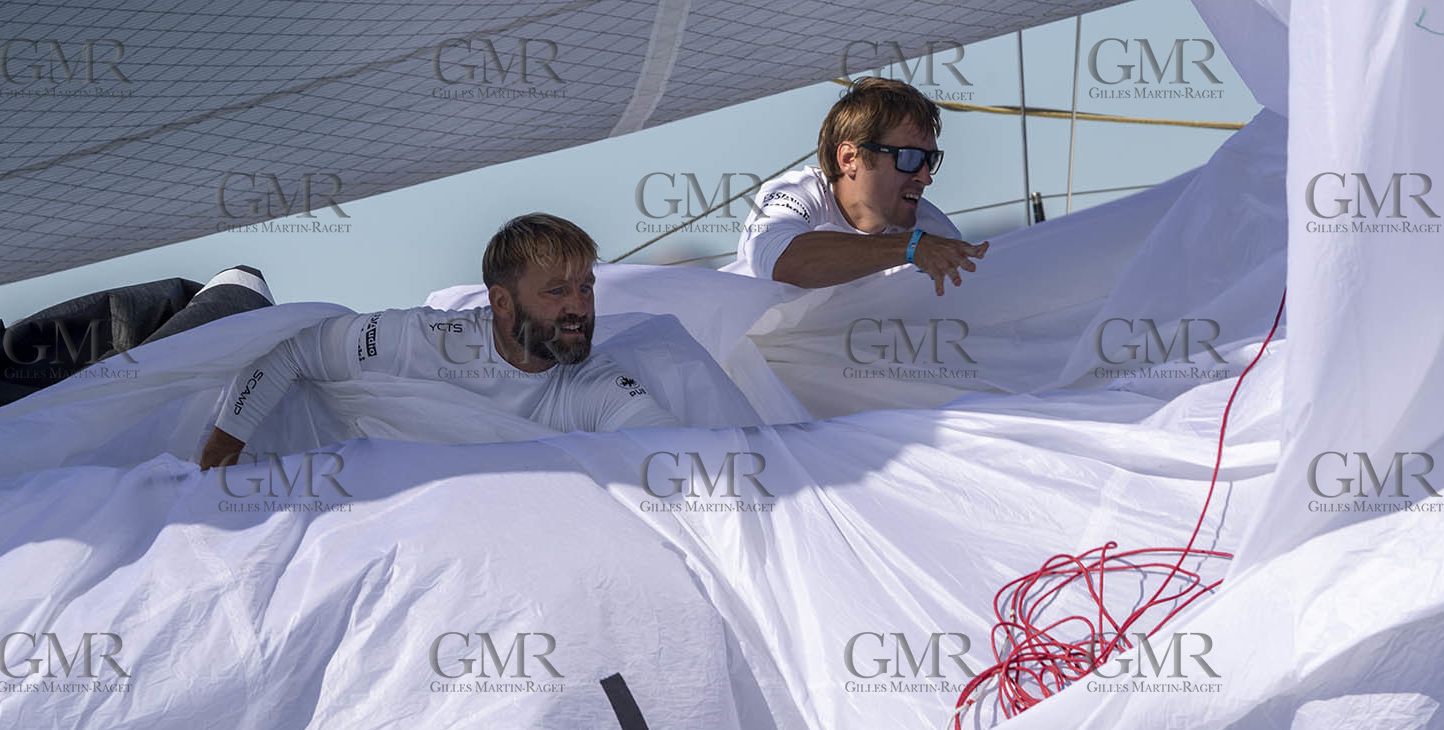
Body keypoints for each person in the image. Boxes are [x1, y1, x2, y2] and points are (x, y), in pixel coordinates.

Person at [199, 214, 677, 469]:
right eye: (557, 291)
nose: (579, 306)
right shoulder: (426, 340)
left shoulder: (594, 383)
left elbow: (670, 450)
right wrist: (219, 456)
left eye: (585, 288)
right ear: (502, 301)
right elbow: (294, 349)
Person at [725, 77, 989, 294]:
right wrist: (911, 247)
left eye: (930, 160)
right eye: (909, 158)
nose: (925, 177)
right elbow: (781, 263)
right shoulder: (794, 195)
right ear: (850, 158)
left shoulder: (935, 233)